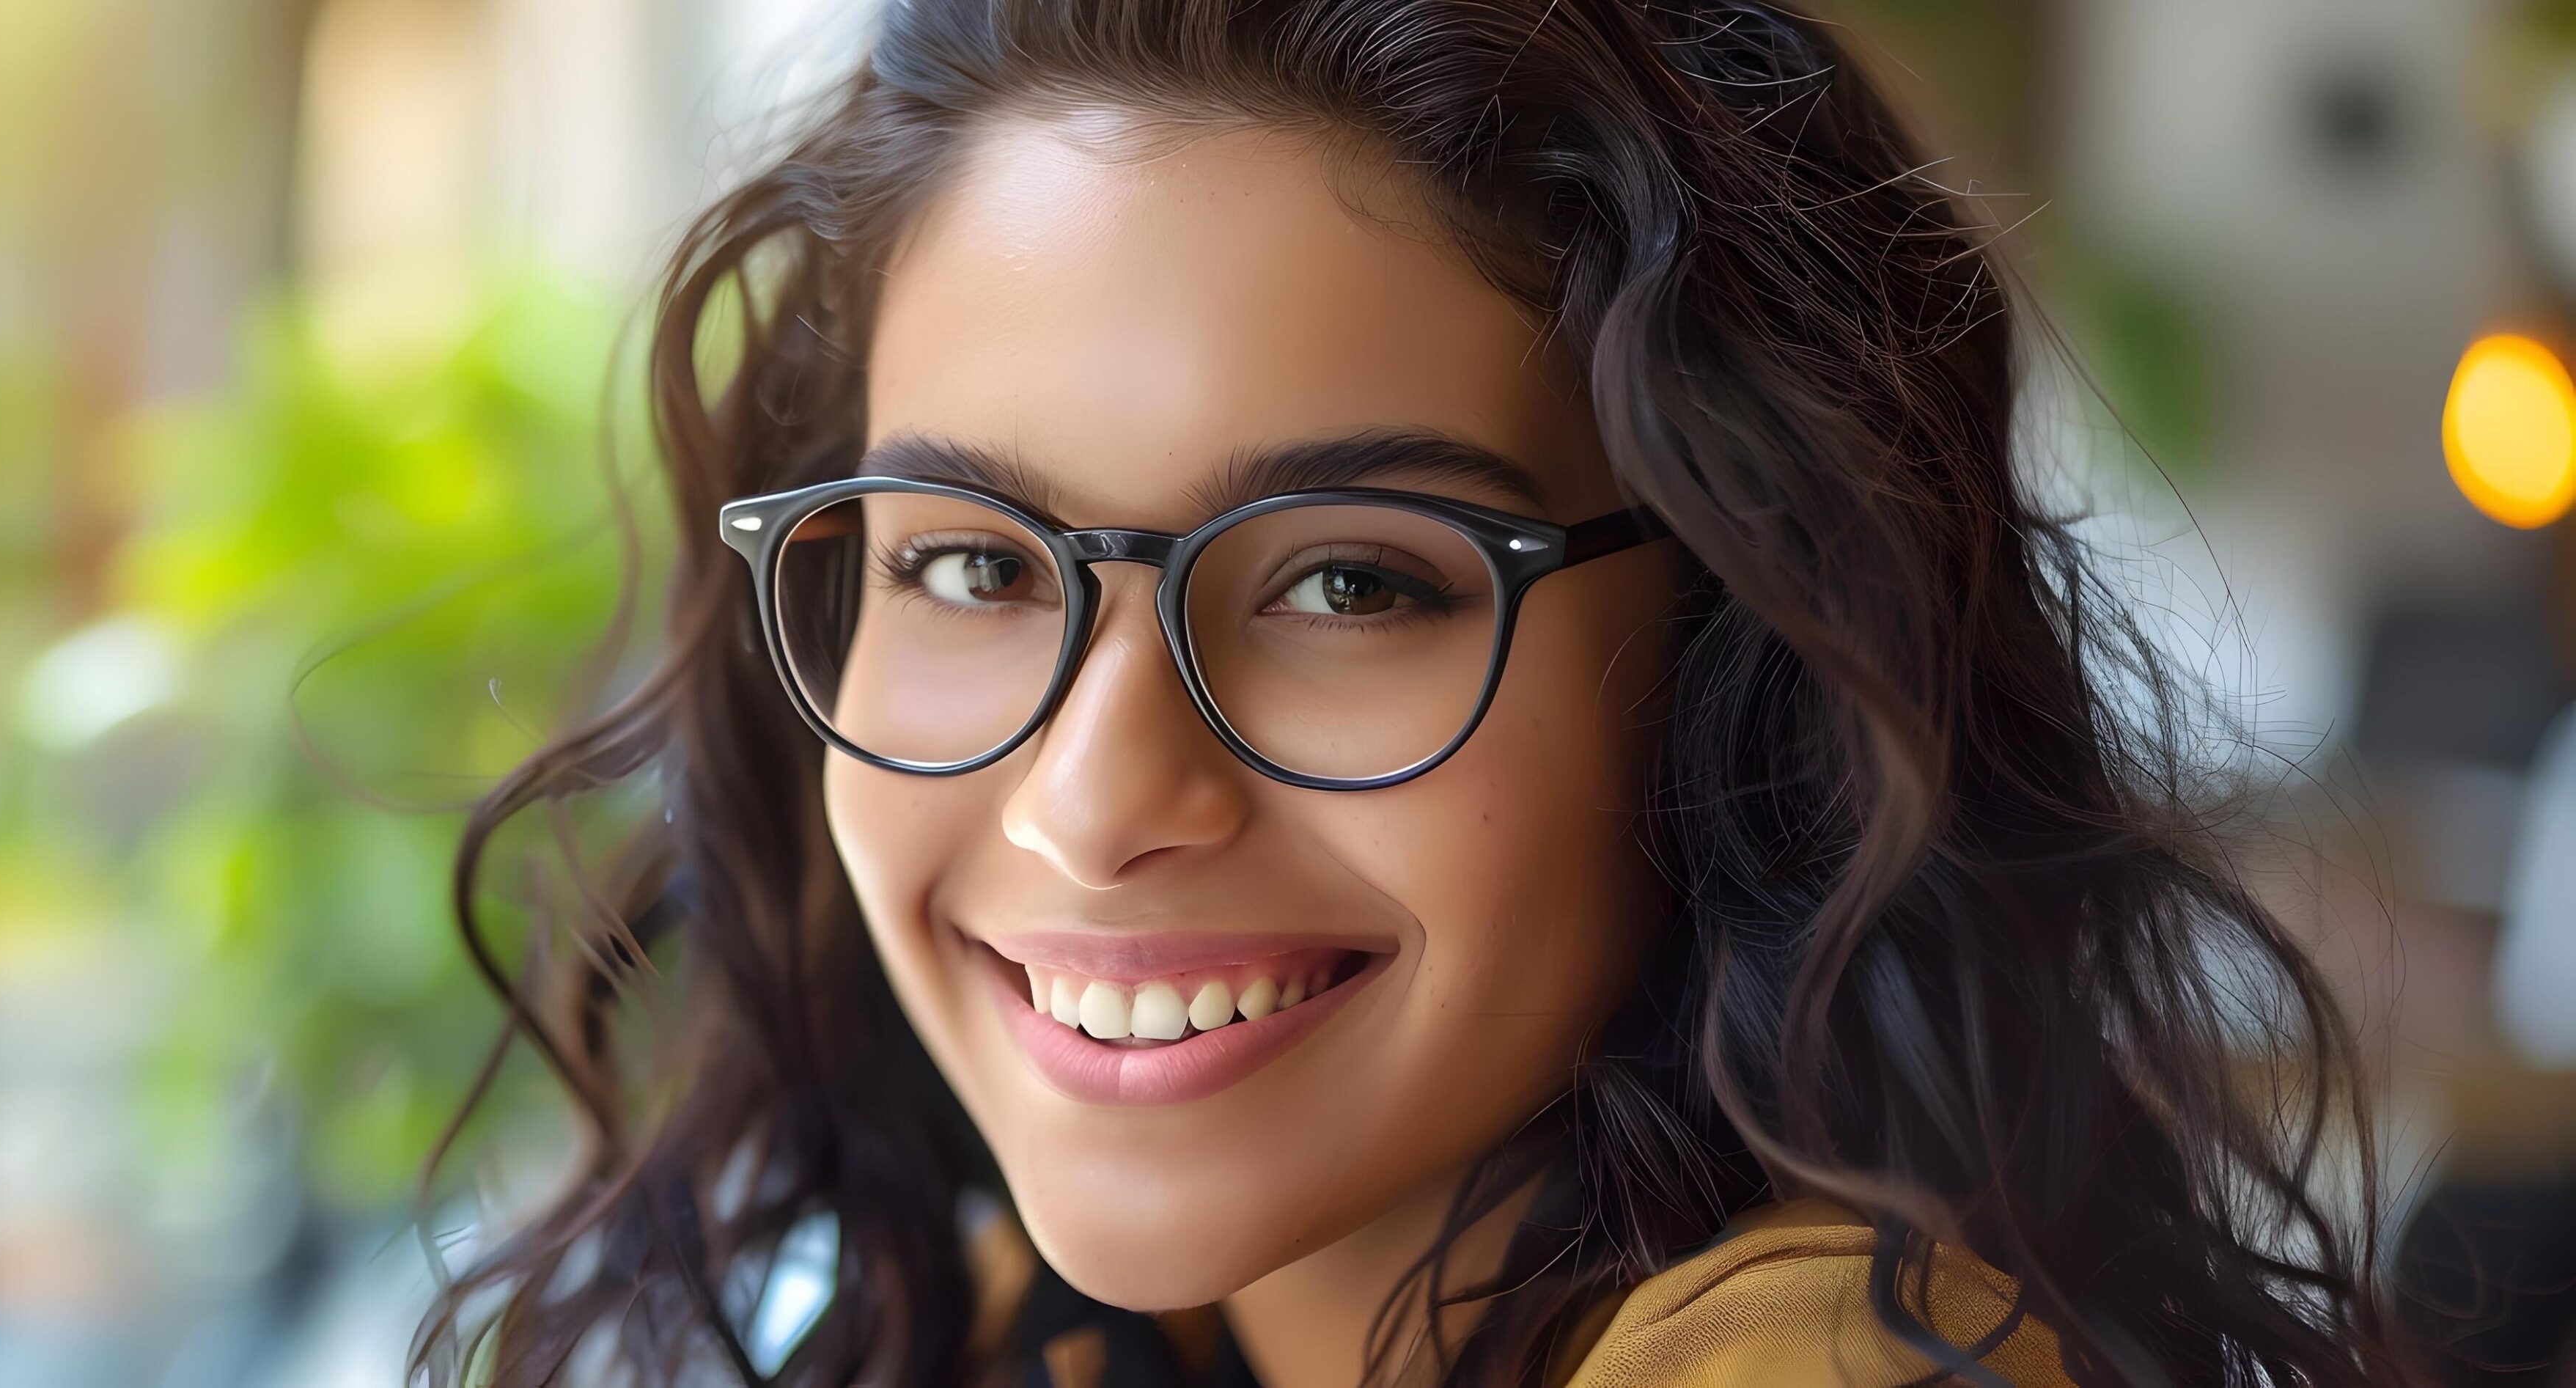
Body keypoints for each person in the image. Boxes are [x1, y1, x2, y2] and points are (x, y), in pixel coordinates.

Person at [414, 2, 2413, 1385]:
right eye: (972, 565)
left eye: (1352, 584)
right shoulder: (1041, 1323)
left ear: (1743, 660)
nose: (1093, 799)